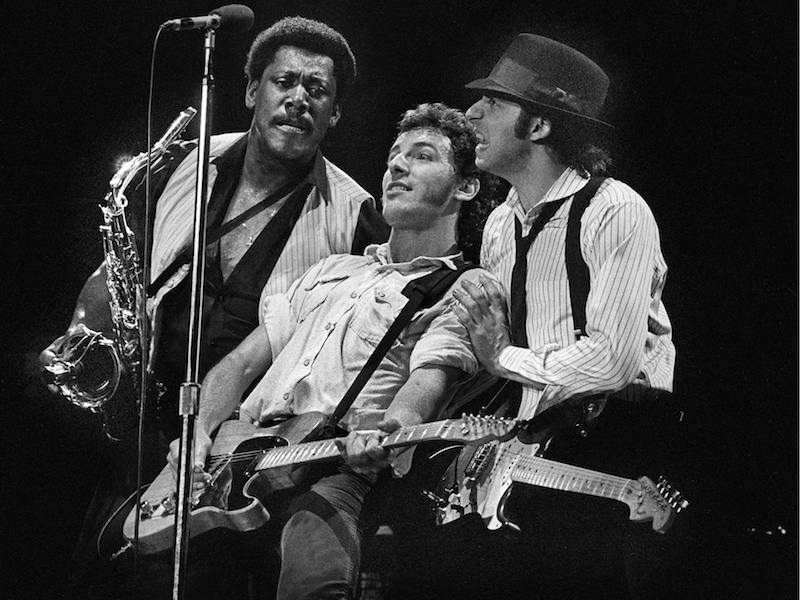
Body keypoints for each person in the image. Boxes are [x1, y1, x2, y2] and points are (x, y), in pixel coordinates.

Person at [39, 16, 388, 598]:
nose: (298, 99)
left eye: (317, 90)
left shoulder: (357, 216)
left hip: (240, 466)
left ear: (335, 115)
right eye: (284, 82)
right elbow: (120, 265)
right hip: (144, 428)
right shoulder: (182, 165)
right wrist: (82, 330)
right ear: (253, 92)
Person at [167, 101, 496, 599]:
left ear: (466, 187)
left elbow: (428, 381)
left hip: (335, 467)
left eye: (421, 156)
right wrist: (196, 434)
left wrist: (390, 430)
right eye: (393, 156)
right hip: (236, 460)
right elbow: (239, 363)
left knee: (314, 578)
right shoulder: (333, 269)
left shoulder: (461, 287)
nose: (396, 166)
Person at [446, 34, 676, 599]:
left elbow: (611, 362)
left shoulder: (614, 208)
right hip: (536, 453)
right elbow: (495, 357)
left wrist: (502, 358)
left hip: (616, 449)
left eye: (494, 102)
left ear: (541, 126)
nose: (471, 112)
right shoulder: (501, 224)